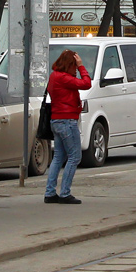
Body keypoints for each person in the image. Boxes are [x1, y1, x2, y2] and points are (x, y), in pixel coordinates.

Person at [44, 50, 91, 205]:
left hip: (57, 120)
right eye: (75, 66)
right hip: (67, 120)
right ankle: (65, 193)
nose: (76, 70)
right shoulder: (64, 78)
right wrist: (82, 67)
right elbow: (86, 84)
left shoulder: (54, 76)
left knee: (58, 157)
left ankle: (50, 193)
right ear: (70, 65)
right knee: (74, 156)